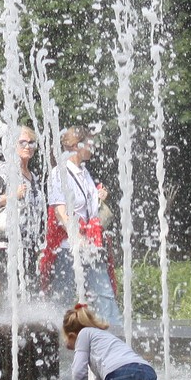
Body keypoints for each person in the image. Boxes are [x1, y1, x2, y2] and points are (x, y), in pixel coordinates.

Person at [42, 127, 122, 326]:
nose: (93, 147)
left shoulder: (84, 172)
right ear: (77, 147)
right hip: (70, 249)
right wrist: (77, 236)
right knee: (61, 299)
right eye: (89, 143)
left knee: (105, 296)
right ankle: (51, 341)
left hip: (91, 247)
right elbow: (60, 212)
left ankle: (116, 341)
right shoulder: (59, 173)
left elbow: (88, 211)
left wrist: (98, 196)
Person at [0, 125, 45, 292]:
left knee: (29, 296)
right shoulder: (5, 170)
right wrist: (12, 196)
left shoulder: (33, 177)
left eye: (31, 143)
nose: (27, 146)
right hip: (4, 247)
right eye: (23, 142)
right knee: (8, 297)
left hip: (27, 248)